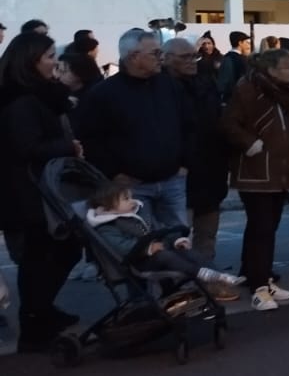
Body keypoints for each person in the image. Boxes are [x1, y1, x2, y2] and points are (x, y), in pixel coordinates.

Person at [0, 33, 83, 350]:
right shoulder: (21, 101)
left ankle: (41, 312)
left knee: (55, 252)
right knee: (42, 257)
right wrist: (68, 147)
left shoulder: (38, 96)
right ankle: (35, 320)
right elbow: (26, 147)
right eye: (49, 56)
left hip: (39, 191)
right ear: (31, 60)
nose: (55, 63)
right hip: (28, 195)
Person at [74, 28, 191, 230]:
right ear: (134, 57)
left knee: (179, 239)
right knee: (141, 242)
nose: (160, 58)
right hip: (132, 187)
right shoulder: (104, 93)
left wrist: (184, 162)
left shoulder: (169, 85)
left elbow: (187, 124)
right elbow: (91, 138)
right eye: (155, 53)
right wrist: (113, 172)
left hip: (172, 180)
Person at [219, 49, 289, 311]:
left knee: (268, 228)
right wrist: (250, 143)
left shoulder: (286, 90)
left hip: (279, 169)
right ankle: (259, 288)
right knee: (261, 229)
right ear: (271, 69)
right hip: (255, 170)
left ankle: (261, 277)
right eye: (288, 67)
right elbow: (229, 123)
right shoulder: (248, 88)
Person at [84, 182, 243, 297]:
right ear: (108, 207)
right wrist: (148, 249)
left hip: (158, 253)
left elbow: (159, 228)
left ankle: (220, 276)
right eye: (126, 199)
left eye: (131, 197)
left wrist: (175, 240)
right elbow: (121, 246)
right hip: (138, 262)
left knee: (187, 252)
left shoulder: (138, 213)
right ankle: (204, 274)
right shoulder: (107, 226)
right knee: (165, 256)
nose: (132, 201)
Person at [163, 37, 229, 263]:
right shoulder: (160, 88)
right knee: (178, 234)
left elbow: (216, 121)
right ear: (167, 59)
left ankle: (205, 277)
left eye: (195, 56)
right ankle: (177, 285)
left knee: (207, 232)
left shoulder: (205, 83)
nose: (192, 61)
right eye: (185, 57)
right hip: (179, 173)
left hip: (211, 168)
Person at [219, 33, 254, 100]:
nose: (248, 45)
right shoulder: (239, 59)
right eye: (246, 42)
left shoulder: (226, 57)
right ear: (240, 43)